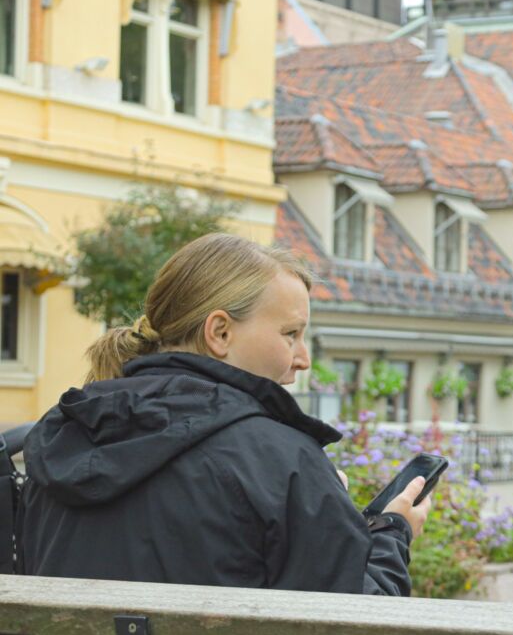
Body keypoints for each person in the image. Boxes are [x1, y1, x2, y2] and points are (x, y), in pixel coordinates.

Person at [22, 233, 428, 595]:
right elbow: (353, 632)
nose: (303, 359)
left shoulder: (62, 436)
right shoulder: (281, 462)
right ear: (219, 333)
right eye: (291, 334)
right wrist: (393, 533)